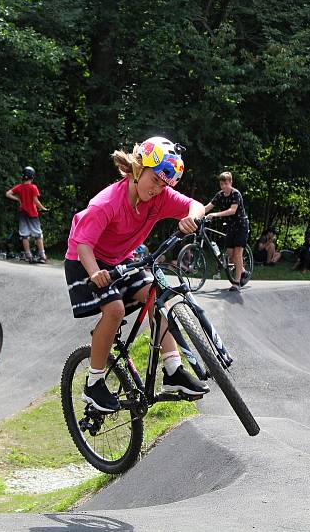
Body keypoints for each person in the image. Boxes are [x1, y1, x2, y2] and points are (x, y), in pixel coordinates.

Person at [64, 136, 209, 413]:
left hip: (120, 258)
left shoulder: (159, 198)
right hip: (85, 260)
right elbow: (84, 245)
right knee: (115, 309)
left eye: (164, 184)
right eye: (155, 179)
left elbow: (195, 204)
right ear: (138, 169)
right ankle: (94, 384)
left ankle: (173, 370)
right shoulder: (106, 202)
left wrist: (193, 217)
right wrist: (95, 273)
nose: (158, 189)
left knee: (155, 297)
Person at [204, 172, 250, 291]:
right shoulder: (220, 195)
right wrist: (196, 214)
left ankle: (236, 282)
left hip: (241, 226)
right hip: (231, 227)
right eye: (221, 184)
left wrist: (215, 215)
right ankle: (243, 271)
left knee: (237, 253)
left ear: (231, 182)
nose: (223, 186)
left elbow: (232, 210)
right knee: (230, 255)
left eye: (226, 183)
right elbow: (208, 207)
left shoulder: (236, 194)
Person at [5, 166, 48, 263]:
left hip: (22, 213)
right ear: (32, 177)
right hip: (32, 214)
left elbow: (8, 194)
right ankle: (42, 255)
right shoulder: (33, 187)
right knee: (38, 234)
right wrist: (43, 208)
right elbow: (36, 201)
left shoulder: (19, 187)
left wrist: (18, 199)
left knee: (24, 235)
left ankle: (28, 255)